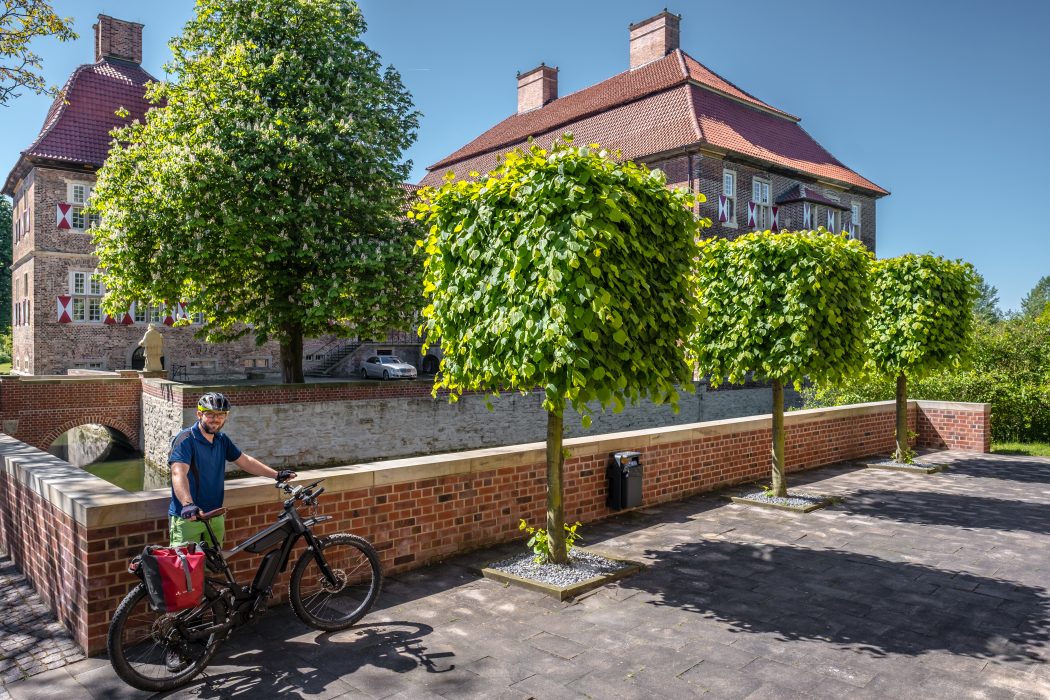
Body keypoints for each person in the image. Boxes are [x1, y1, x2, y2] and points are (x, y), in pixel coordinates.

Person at [168, 391, 296, 547]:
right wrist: (187, 504)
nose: (215, 420)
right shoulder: (186, 439)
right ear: (199, 414)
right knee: (185, 568)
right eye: (210, 414)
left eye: (221, 415)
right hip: (189, 517)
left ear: (226, 416)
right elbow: (178, 472)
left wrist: (276, 474)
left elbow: (245, 461)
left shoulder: (221, 439)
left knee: (214, 566)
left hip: (215, 515)